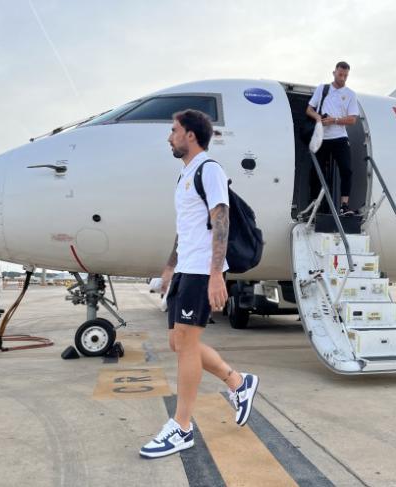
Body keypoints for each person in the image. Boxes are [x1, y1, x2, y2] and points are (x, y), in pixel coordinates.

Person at [140, 109, 259, 459]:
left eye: (174, 131)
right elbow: (187, 227)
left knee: (188, 345)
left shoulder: (210, 170)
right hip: (185, 270)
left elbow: (219, 219)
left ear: (191, 135)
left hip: (201, 272)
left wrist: (216, 273)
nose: (169, 137)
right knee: (178, 343)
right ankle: (239, 382)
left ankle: (182, 426)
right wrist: (169, 267)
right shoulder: (185, 176)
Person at [306, 61, 360, 216]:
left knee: (346, 170)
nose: (342, 78)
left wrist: (334, 120)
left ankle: (344, 205)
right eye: (340, 74)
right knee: (316, 172)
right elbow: (309, 109)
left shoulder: (350, 94)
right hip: (322, 136)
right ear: (334, 73)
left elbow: (352, 120)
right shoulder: (322, 89)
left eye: (345, 76)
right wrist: (318, 118)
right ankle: (313, 205)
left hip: (339, 137)